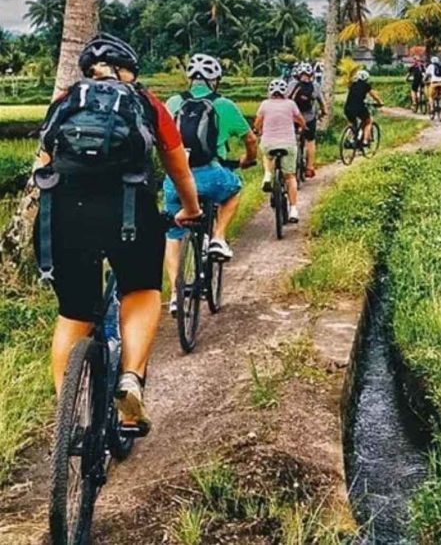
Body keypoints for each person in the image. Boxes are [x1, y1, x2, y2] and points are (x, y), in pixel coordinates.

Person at [34, 34, 201, 432]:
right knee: (142, 289)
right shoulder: (145, 101)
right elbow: (178, 169)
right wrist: (190, 210)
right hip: (128, 212)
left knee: (73, 313)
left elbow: (43, 167)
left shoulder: (65, 102)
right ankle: (130, 379)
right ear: (128, 71)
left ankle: (67, 414)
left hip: (64, 214)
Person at [163, 53, 257, 314]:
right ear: (215, 80)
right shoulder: (224, 104)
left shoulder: (172, 102)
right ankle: (217, 237)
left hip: (176, 182)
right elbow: (250, 140)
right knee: (234, 189)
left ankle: (174, 294)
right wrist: (248, 160)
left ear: (189, 78)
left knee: (173, 232)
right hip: (211, 175)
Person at [254, 79, 305, 223]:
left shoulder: (264, 104)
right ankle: (294, 209)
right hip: (288, 144)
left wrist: (258, 131)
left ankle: (268, 174)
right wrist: (302, 127)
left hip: (269, 143)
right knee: (290, 176)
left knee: (267, 155)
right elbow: (300, 119)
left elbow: (257, 123)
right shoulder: (291, 104)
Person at [286, 61, 326, 178]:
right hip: (309, 118)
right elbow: (322, 103)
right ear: (311, 74)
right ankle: (309, 167)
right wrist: (323, 112)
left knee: (290, 140)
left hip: (293, 117)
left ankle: (288, 166)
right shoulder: (315, 86)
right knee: (310, 141)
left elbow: (285, 98)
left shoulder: (292, 84)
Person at [344, 70, 384, 145]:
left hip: (347, 107)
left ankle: (351, 139)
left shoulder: (352, 85)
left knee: (353, 124)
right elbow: (374, 96)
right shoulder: (366, 86)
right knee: (368, 121)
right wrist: (380, 102)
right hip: (359, 107)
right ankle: (365, 141)